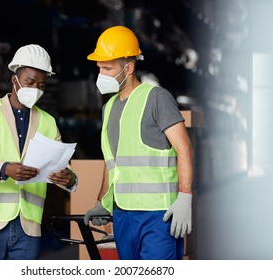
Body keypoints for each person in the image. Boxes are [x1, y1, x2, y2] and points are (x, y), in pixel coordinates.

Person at [83, 26, 193, 260]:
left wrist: (185, 198)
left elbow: (184, 149)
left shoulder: (156, 97)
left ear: (129, 67)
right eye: (99, 68)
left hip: (158, 215)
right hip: (123, 215)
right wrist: (103, 202)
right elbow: (112, 163)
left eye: (107, 68)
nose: (101, 75)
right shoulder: (108, 107)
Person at [0, 44, 78, 260]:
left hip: (29, 228)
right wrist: (6, 168)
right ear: (14, 79)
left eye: (41, 85)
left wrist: (68, 178)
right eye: (30, 82)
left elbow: (63, 166)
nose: (35, 88)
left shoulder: (48, 121)